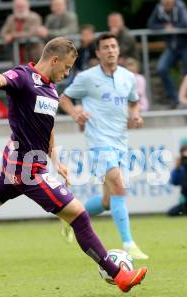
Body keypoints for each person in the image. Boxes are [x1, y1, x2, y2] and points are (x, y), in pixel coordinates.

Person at [0, 37, 148, 293]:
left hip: (25, 165)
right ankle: (119, 275)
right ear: (55, 59)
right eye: (67, 67)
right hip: (26, 169)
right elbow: (2, 79)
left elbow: (46, 129)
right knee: (79, 216)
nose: (67, 73)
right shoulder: (24, 76)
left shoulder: (50, 90)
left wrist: (57, 161)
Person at [59, 33, 149, 260]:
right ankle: (129, 244)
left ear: (119, 50)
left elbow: (134, 100)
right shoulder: (87, 77)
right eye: (105, 47)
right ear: (98, 53)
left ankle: (70, 217)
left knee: (109, 201)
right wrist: (75, 112)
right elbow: (64, 98)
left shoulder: (128, 77)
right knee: (119, 187)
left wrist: (135, 115)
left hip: (121, 141)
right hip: (99, 142)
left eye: (113, 46)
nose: (110, 50)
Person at [147, 0, 187, 106]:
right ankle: (175, 98)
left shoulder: (180, 6)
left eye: (169, 2)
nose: (167, 4)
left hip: (186, 45)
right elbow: (151, 24)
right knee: (161, 68)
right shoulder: (158, 8)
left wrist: (173, 26)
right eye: (164, 2)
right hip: (171, 48)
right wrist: (164, 27)